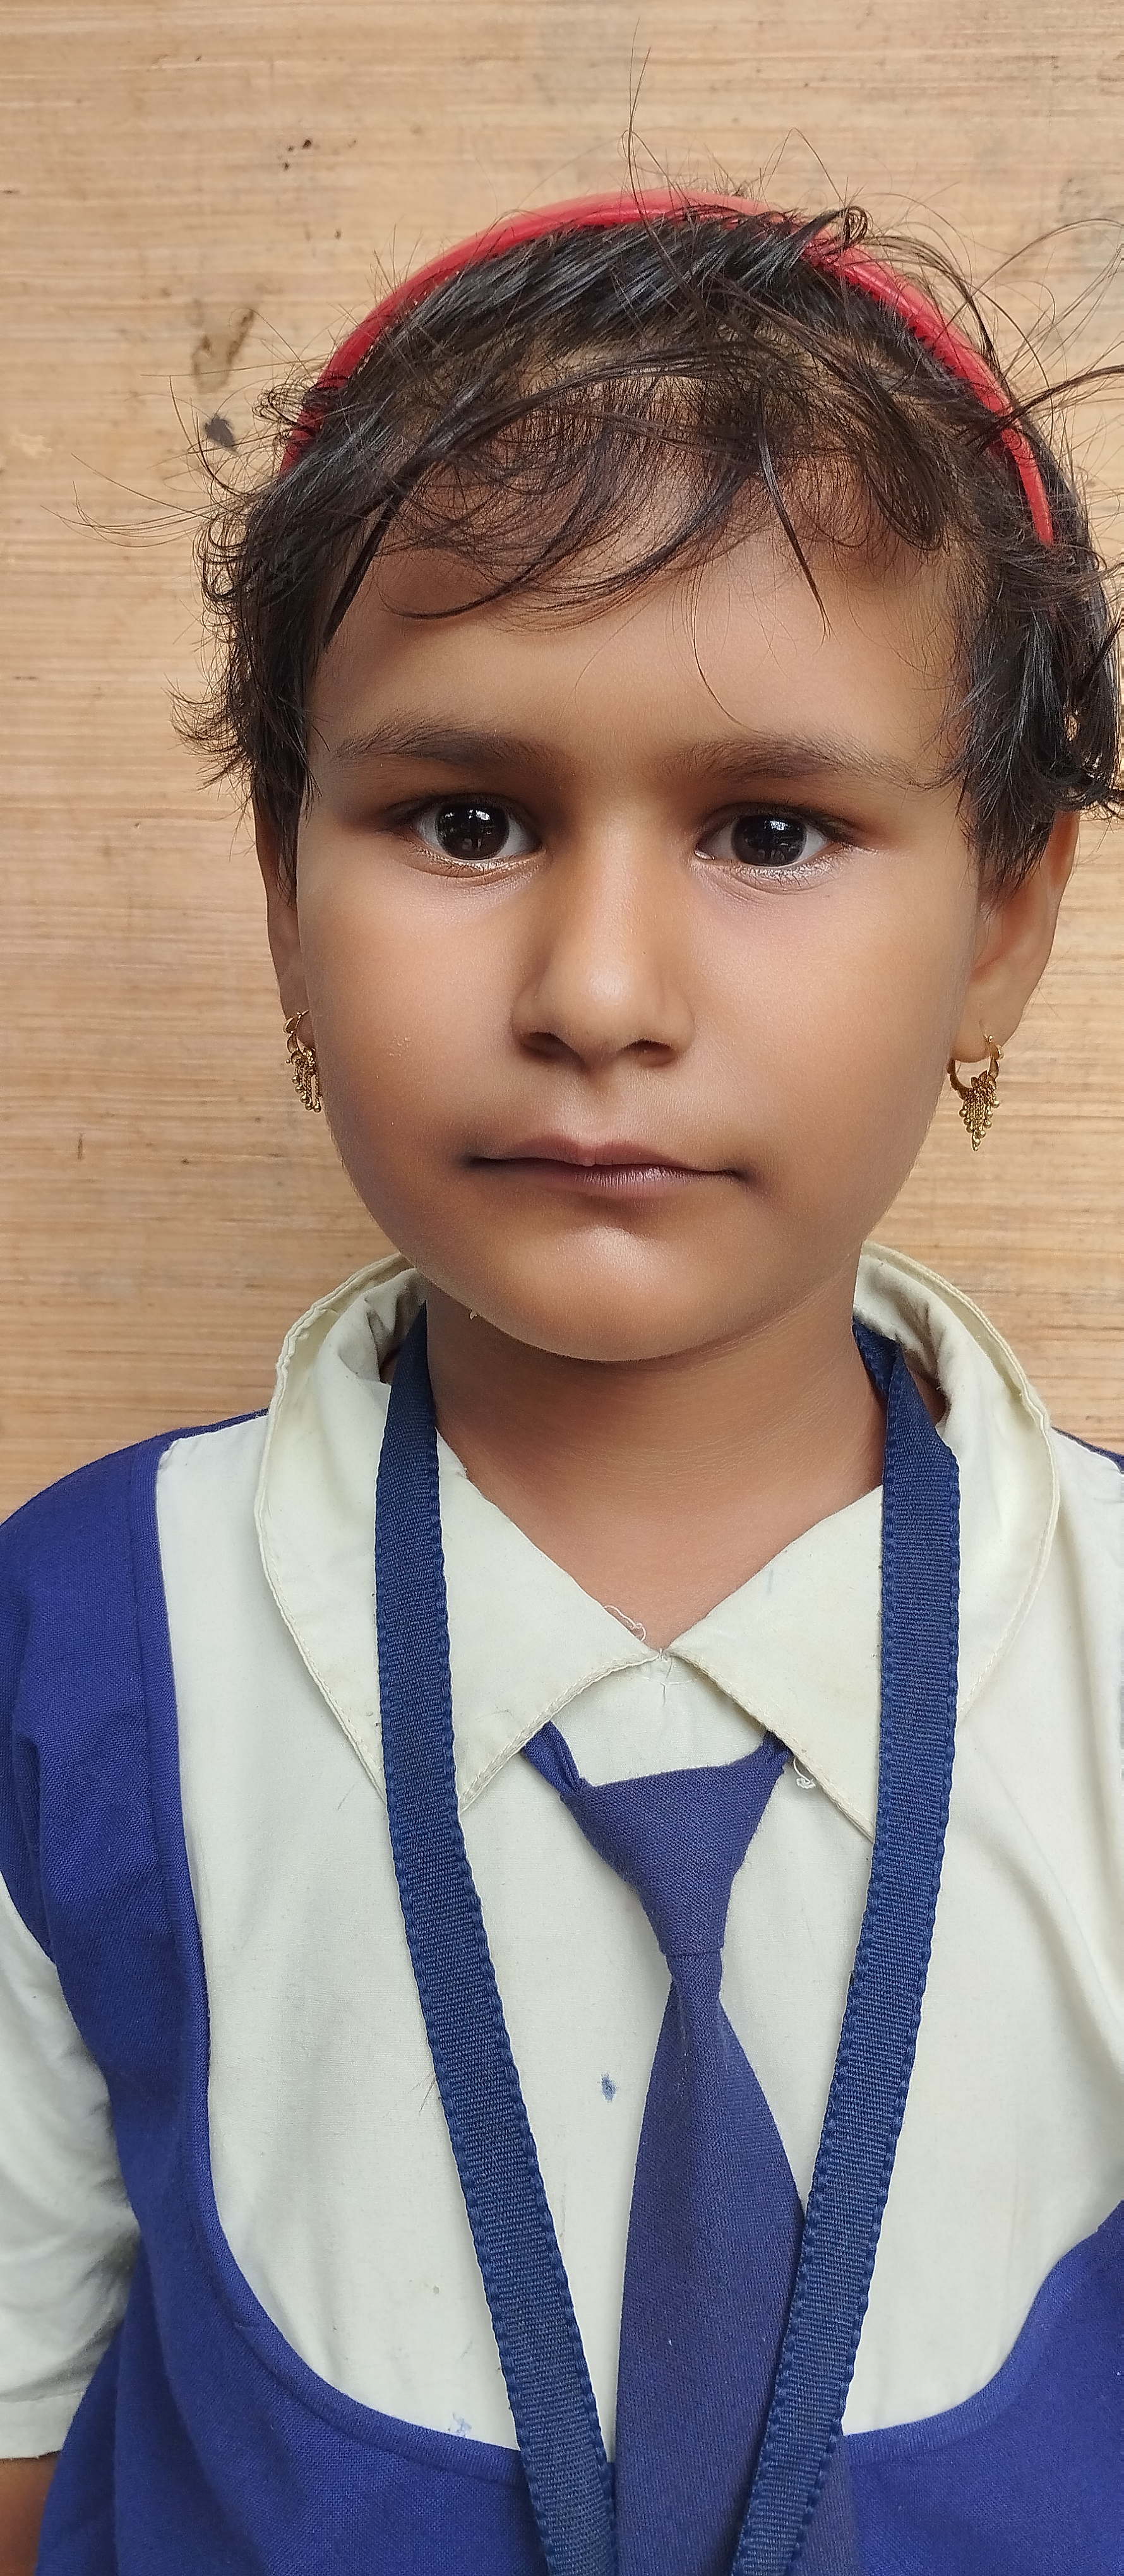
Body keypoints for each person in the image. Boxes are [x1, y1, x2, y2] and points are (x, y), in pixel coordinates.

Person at [1, 186, 1121, 2576]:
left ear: (1005, 921)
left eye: (770, 830)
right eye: (467, 820)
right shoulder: (75, 1651)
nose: (598, 990)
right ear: (283, 900)